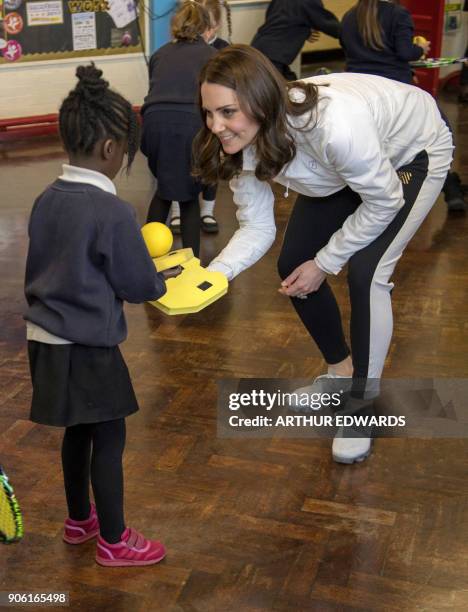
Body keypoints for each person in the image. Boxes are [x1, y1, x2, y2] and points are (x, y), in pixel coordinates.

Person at [193, 44, 453, 463]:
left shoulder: (332, 127)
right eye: (209, 112)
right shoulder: (248, 138)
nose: (216, 126)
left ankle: (363, 404)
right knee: (293, 266)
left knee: (366, 274)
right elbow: (257, 226)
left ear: (260, 103)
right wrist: (217, 273)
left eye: (227, 112)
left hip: (412, 152)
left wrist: (327, 262)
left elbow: (384, 200)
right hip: (344, 167)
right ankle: (340, 373)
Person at [24, 64, 179, 567]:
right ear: (112, 149)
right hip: (88, 347)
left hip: (44, 341)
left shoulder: (46, 199)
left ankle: (79, 521)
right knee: (110, 437)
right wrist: (160, 278)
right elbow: (137, 286)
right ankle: (114, 540)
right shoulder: (112, 212)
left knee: (79, 432)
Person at [341, 0, 466, 211]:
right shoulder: (397, 14)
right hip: (396, 90)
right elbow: (405, 53)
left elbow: (350, 52)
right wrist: (420, 47)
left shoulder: (350, 16)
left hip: (358, 90)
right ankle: (451, 189)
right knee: (439, 134)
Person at [140, 0, 217, 257]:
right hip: (190, 127)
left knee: (165, 187)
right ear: (206, 27)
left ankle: (147, 257)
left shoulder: (159, 54)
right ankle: (192, 263)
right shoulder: (212, 56)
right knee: (188, 195)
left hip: (152, 127)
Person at [168, 0, 233, 236]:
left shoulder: (223, 49)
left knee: (210, 164)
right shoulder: (179, 51)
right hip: (186, 116)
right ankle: (176, 210)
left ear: (215, 25)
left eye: (211, 25)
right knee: (178, 166)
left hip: (210, 117)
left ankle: (208, 210)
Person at [251, 0, 341, 81]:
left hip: (260, 49)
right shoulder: (308, 2)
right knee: (284, 92)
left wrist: (304, 32)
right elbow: (328, 24)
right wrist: (350, 32)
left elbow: (281, 20)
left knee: (291, 85)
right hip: (273, 57)